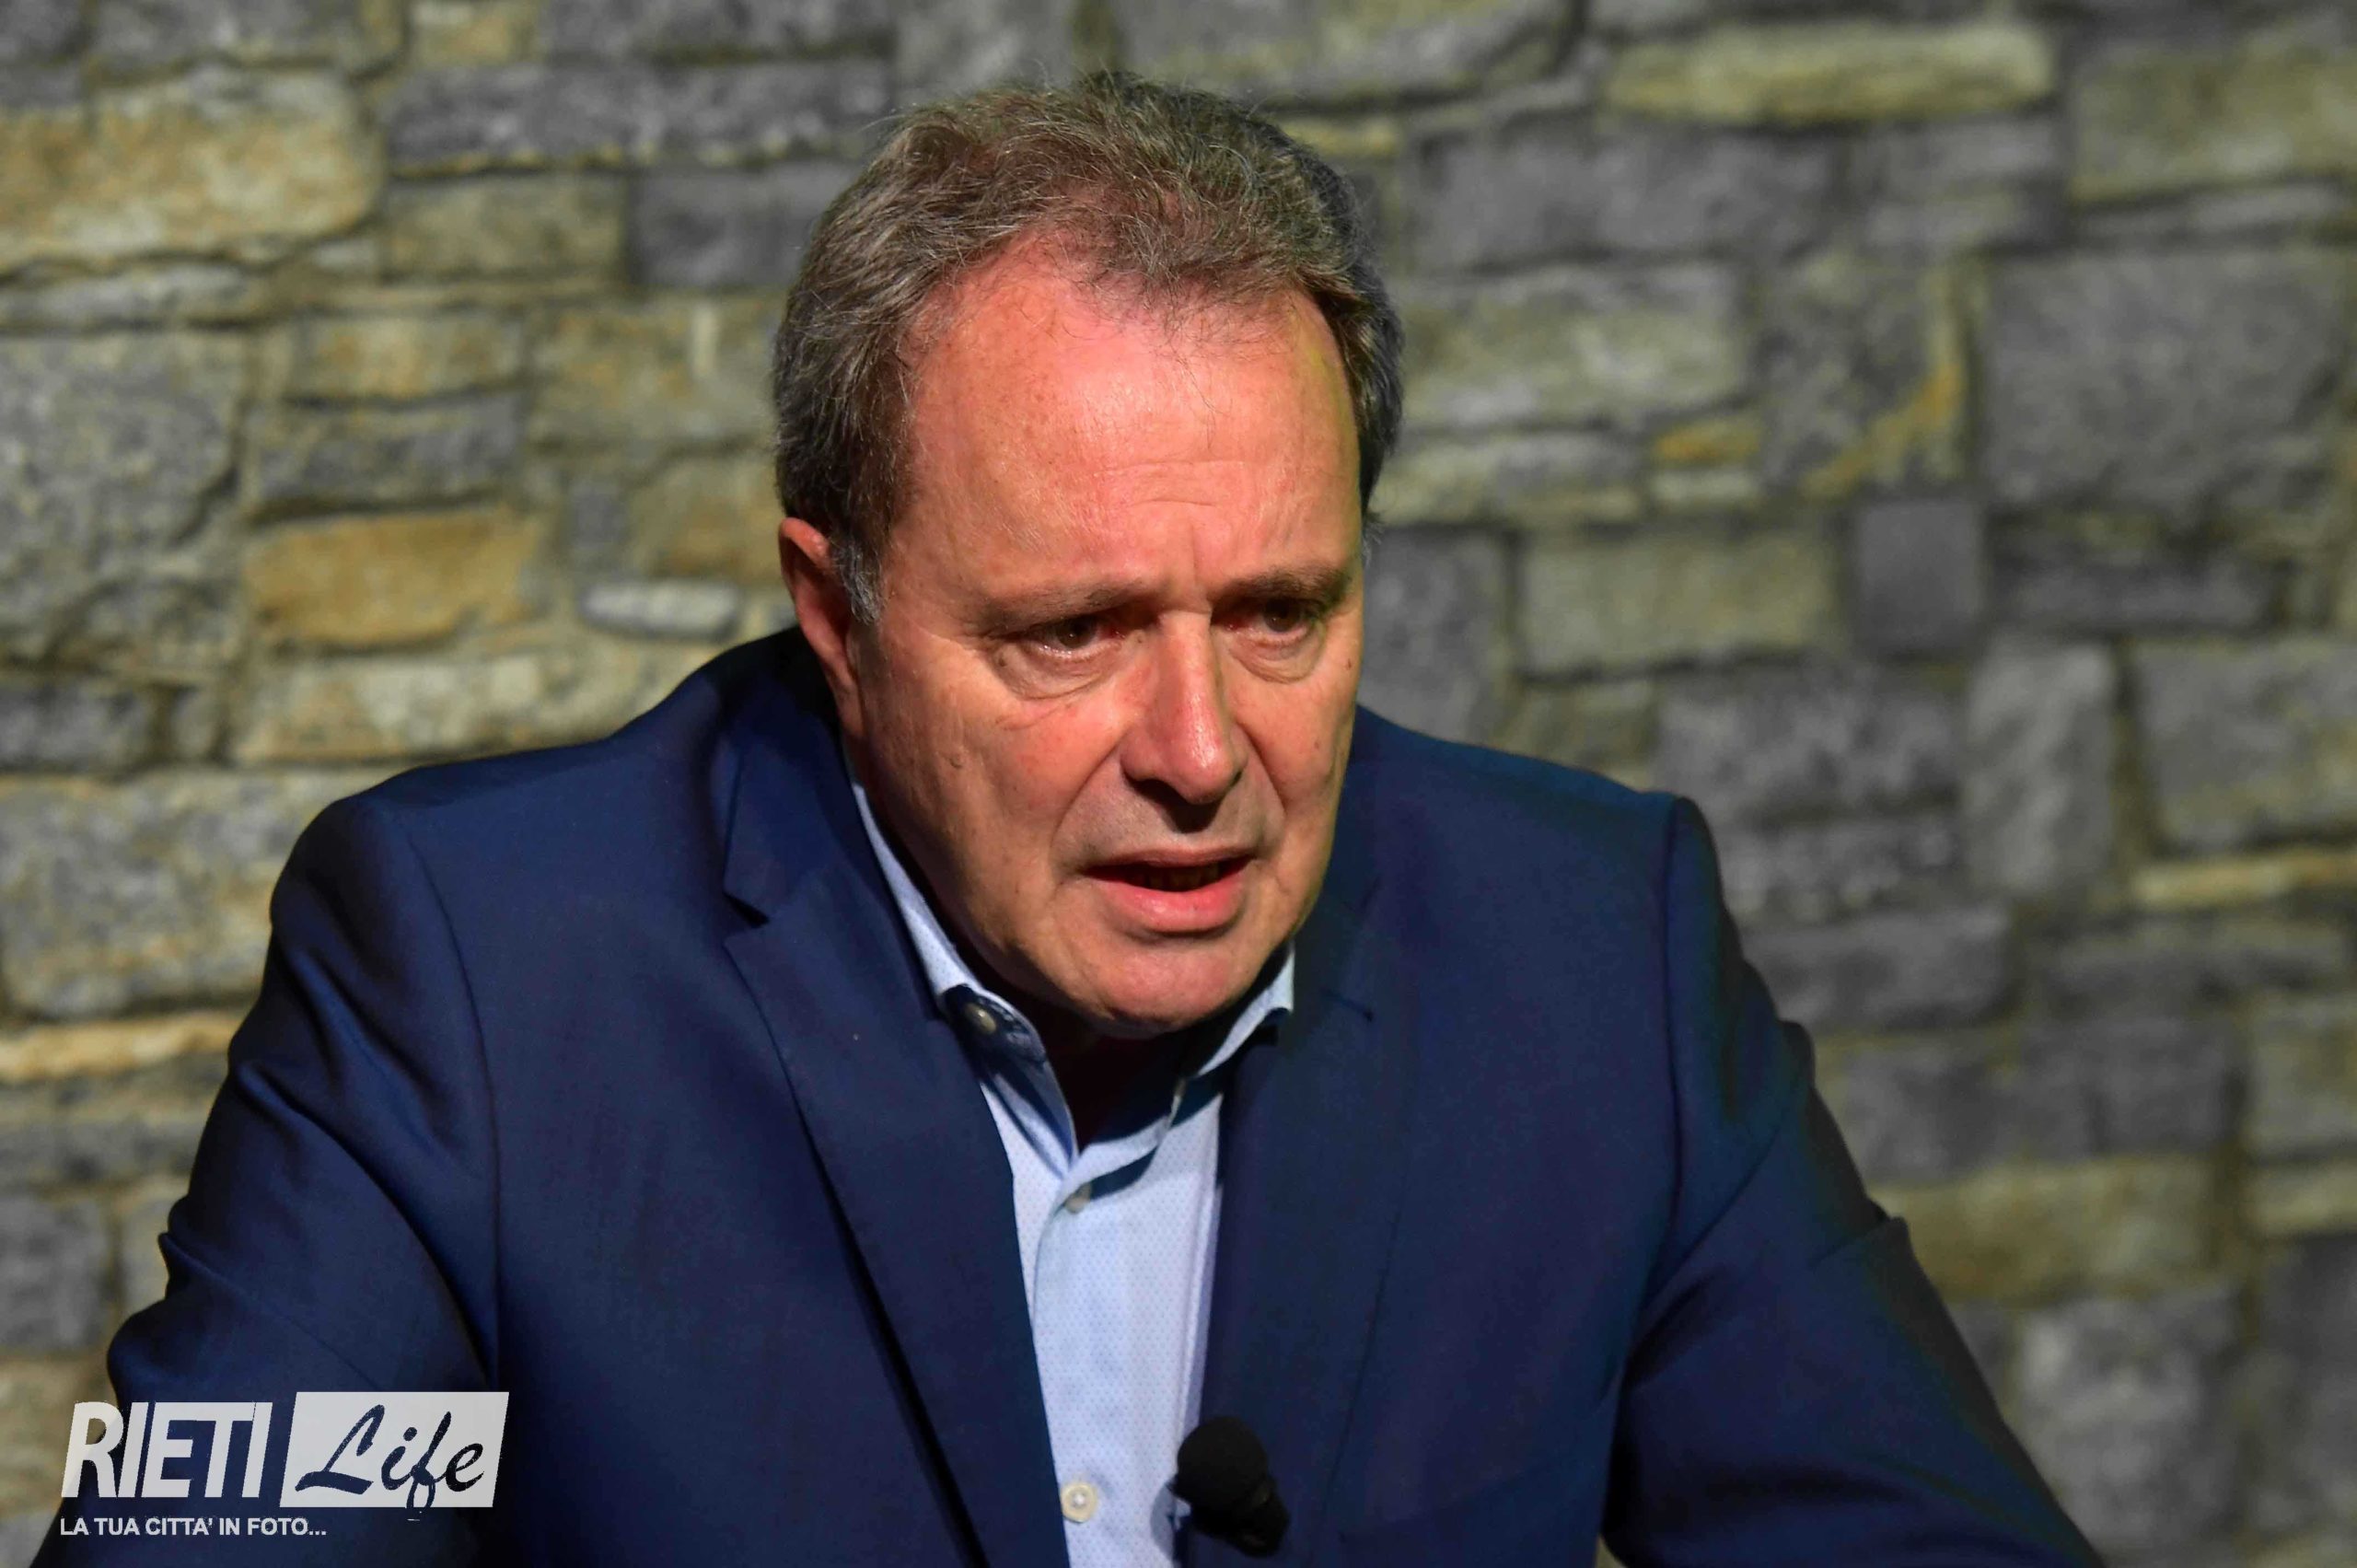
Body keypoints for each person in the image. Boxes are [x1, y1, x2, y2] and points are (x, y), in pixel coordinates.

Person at [41, 72, 2096, 1566]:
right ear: (837, 617)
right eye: (1072, 633)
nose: (1200, 750)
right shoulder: (474, 980)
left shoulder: (1592, 952)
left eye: (1280, 614)